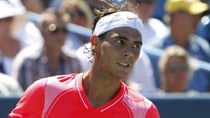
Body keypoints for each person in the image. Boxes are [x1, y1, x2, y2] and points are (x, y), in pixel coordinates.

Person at [9, 2, 160, 118]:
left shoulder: (145, 111)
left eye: (136, 45)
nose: (129, 53)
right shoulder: (45, 91)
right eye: (120, 41)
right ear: (95, 43)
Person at [145, 0, 210, 91]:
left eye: (198, 15)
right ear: (175, 17)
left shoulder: (203, 47)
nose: (198, 19)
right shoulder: (153, 52)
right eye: (192, 14)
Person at [12, 9, 82, 90]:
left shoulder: (74, 61)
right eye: (54, 30)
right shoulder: (28, 60)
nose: (60, 35)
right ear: (42, 32)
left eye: (64, 30)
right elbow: (21, 97)